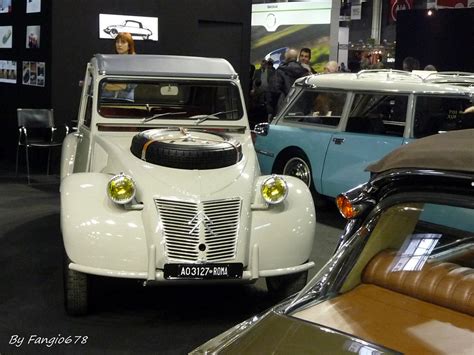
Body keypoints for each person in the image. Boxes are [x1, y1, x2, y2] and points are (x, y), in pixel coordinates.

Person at [269, 48, 308, 116]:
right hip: (300, 108)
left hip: (283, 107)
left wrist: (271, 110)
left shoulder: (280, 71)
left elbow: (274, 90)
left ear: (286, 57)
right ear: (296, 58)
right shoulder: (304, 72)